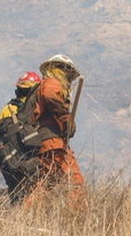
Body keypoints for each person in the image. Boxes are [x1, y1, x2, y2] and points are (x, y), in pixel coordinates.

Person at [25, 53, 86, 209]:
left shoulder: (44, 85)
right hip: (53, 143)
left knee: (45, 184)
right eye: (66, 72)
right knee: (75, 182)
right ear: (58, 69)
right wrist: (66, 119)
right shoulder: (52, 83)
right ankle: (76, 216)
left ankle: (28, 214)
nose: (67, 77)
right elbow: (50, 96)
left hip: (44, 143)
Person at [0, 71, 42, 203]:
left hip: (9, 161)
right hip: (30, 162)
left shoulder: (6, 110)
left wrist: (5, 156)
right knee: (33, 194)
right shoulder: (36, 110)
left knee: (16, 195)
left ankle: (16, 218)